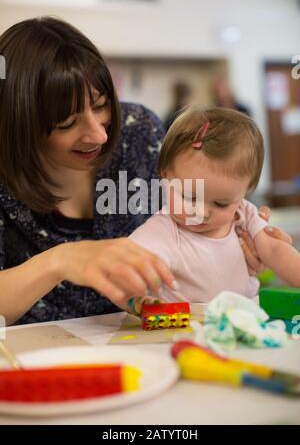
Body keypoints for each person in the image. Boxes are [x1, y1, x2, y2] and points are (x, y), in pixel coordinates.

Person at [0, 18, 289, 325]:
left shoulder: (138, 131)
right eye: (67, 124)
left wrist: (232, 239)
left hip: (151, 341)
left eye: (100, 105)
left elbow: (195, 216)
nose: (98, 135)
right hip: (35, 356)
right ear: (21, 126)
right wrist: (59, 261)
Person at [129, 106, 299, 303]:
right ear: (165, 175)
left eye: (221, 203)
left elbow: (275, 250)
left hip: (245, 317)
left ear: (247, 190)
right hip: (186, 325)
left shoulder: (244, 214)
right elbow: (129, 266)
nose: (201, 212)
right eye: (190, 197)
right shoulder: (164, 229)